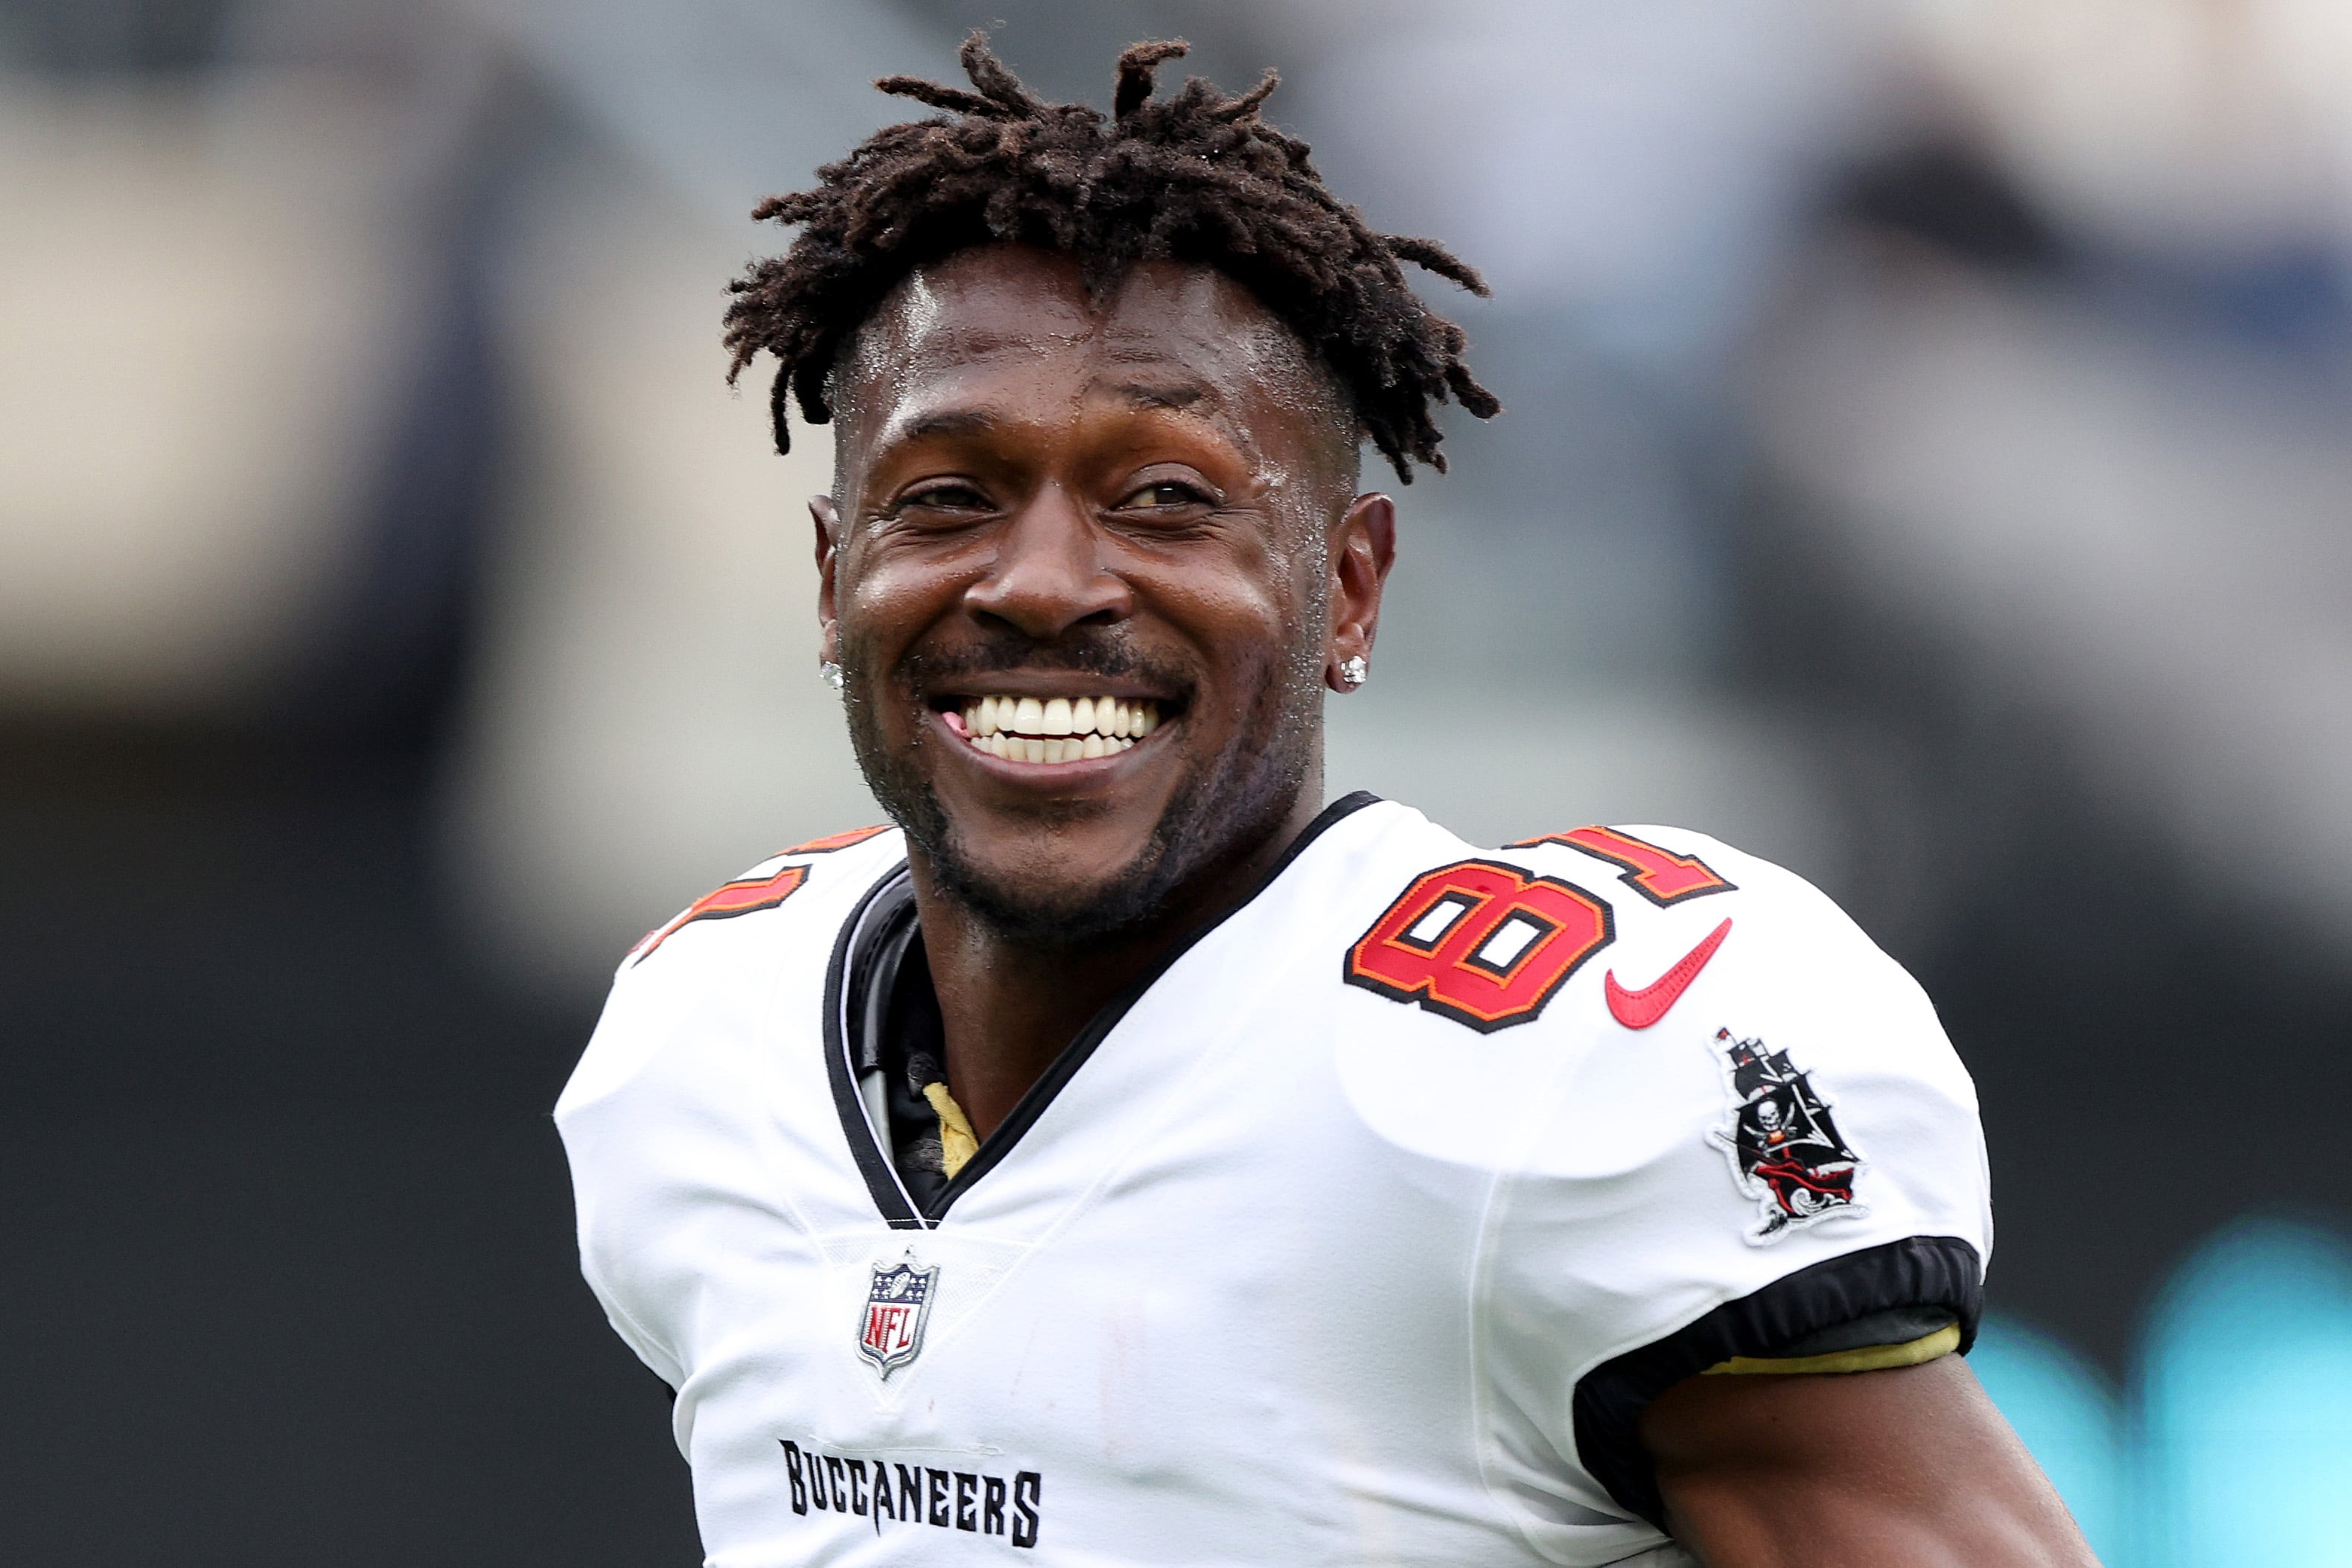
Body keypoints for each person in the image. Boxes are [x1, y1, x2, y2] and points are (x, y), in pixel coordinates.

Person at [556, 35, 2097, 1567]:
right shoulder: (700, 1046)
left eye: (1162, 497)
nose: (1037, 581)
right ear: (833, 579)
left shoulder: (1546, 1076)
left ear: (1346, 590)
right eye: (946, 495)